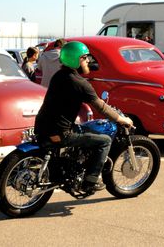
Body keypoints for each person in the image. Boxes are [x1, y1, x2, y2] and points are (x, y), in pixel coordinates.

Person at [34, 41, 133, 192]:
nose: (88, 61)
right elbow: (101, 106)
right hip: (61, 133)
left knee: (83, 130)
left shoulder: (59, 75)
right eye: (86, 57)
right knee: (105, 141)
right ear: (77, 59)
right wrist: (121, 119)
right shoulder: (80, 83)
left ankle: (72, 169)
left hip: (42, 127)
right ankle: (90, 181)